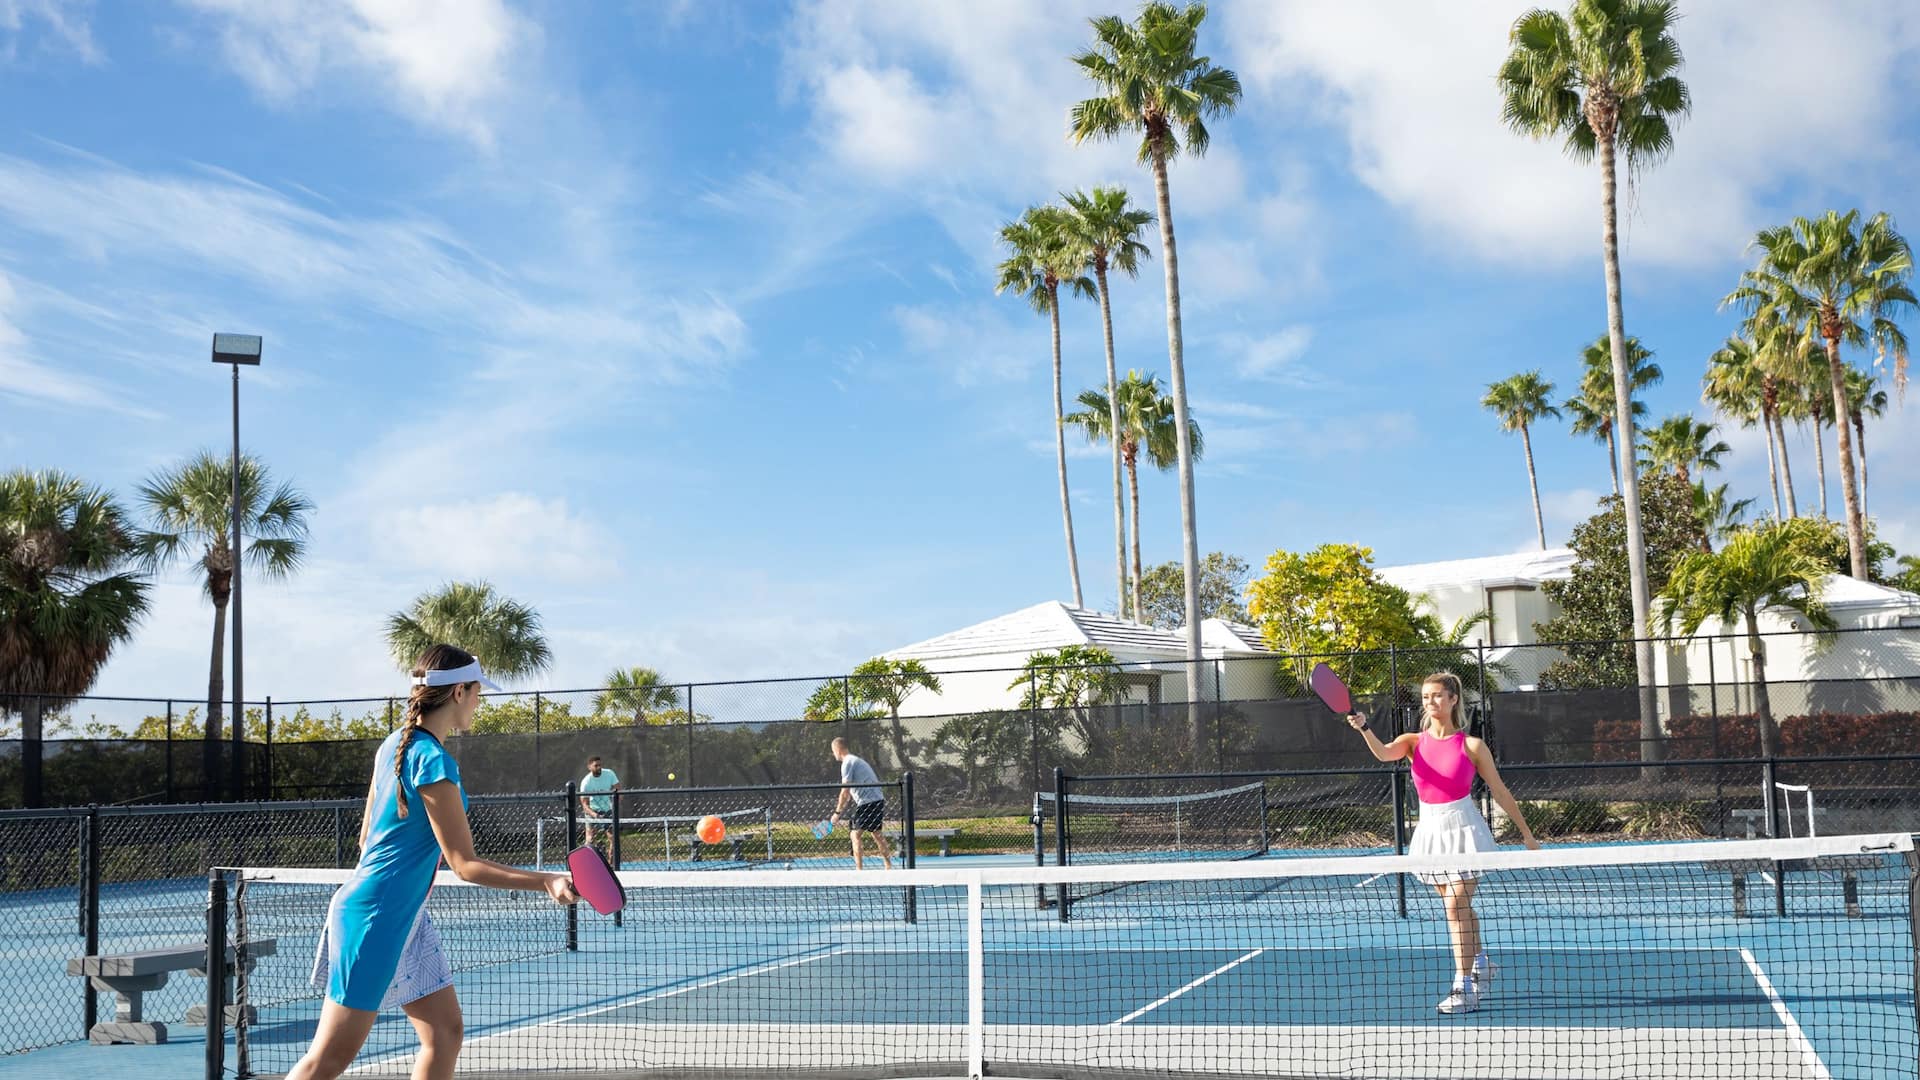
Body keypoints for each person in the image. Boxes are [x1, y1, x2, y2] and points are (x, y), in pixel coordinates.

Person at [286, 645, 579, 1080]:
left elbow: (368, 836)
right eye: (478, 692)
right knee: (326, 1060)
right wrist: (547, 881)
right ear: (459, 692)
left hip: (403, 915)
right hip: (377, 919)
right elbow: (464, 864)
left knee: (444, 1032)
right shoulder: (433, 761)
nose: (480, 702)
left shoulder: (393, 746)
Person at [1348, 671, 1539, 1015]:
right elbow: (1383, 753)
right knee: (1459, 908)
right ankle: (1481, 962)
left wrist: (1526, 834)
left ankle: (1463, 986)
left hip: (1466, 830)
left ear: (1453, 700)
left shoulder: (1472, 746)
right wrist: (1364, 727)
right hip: (1430, 833)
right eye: (1425, 696)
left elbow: (1499, 790)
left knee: (1454, 908)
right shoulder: (1413, 742)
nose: (1430, 702)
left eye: (1437, 695)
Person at [829, 737, 892, 870]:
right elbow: (850, 793)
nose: (833, 753)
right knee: (877, 834)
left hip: (867, 803)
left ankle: (859, 871)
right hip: (877, 800)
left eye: (833, 751)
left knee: (855, 834)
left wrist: (837, 813)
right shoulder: (854, 760)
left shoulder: (847, 762)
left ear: (837, 749)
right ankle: (888, 867)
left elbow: (844, 791)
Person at [578, 756, 621, 855]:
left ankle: (611, 865)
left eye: (600, 765)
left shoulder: (610, 774)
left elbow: (619, 790)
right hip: (592, 811)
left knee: (614, 839)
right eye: (596, 766)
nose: (599, 768)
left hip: (607, 809)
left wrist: (615, 806)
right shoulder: (586, 782)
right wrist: (595, 815)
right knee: (590, 839)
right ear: (589, 767)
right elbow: (585, 805)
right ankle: (587, 861)